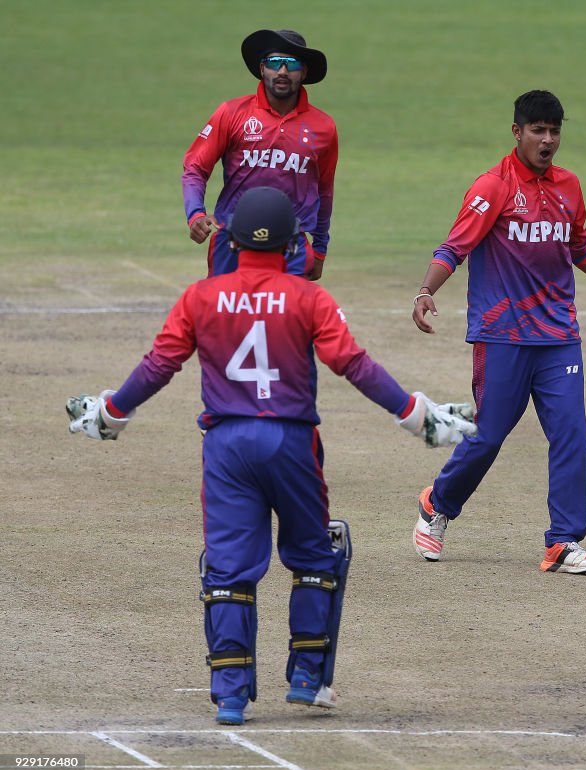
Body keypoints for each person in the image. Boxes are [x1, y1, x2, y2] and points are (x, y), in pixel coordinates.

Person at [66, 187, 475, 725]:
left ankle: (232, 696)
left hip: (227, 446)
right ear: (293, 246)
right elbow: (353, 365)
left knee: (229, 569)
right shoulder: (309, 298)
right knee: (314, 557)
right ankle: (307, 679)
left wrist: (111, 412)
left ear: (232, 241)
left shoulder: (200, 297)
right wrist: (418, 416)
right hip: (290, 443)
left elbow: (159, 365)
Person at [410, 90, 586, 575]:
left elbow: (579, 247)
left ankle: (563, 542)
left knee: (570, 433)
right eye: (538, 131)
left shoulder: (569, 185)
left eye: (555, 131)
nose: (548, 140)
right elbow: (454, 248)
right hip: (502, 333)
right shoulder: (493, 187)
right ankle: (436, 503)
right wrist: (425, 291)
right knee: (487, 437)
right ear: (517, 133)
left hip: (558, 335)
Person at [182, 29, 338, 280]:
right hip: (232, 240)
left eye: (292, 64)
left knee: (285, 318)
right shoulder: (232, 113)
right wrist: (195, 214)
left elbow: (325, 192)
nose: (283, 71)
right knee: (227, 317)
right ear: (262, 68)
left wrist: (319, 249)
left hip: (291, 244)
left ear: (305, 72)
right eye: (275, 63)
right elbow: (195, 169)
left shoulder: (324, 127)